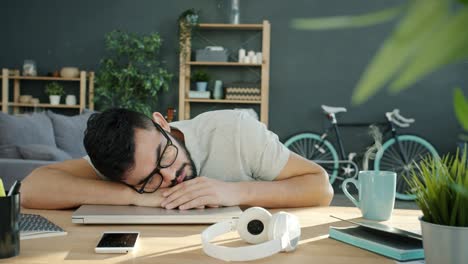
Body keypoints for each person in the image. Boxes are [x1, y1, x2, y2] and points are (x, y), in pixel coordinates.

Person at [21, 108, 333, 210]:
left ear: (163, 123)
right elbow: (32, 186)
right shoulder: (123, 165)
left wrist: (236, 191)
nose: (169, 178)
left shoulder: (235, 131)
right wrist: (133, 197)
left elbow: (321, 187)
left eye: (164, 154)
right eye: (148, 180)